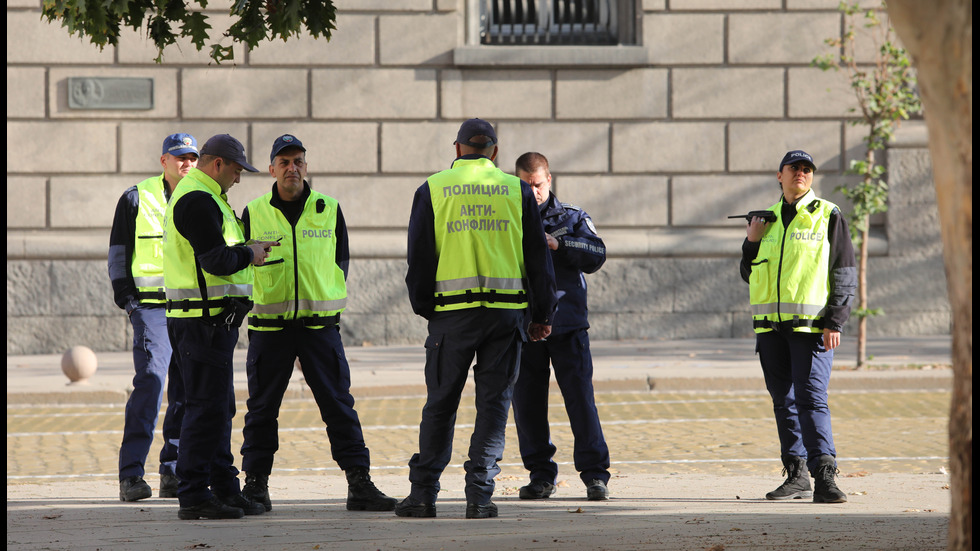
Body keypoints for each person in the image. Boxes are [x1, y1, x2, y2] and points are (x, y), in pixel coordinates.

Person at [399, 119, 558, 519]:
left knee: (440, 404)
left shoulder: (433, 188)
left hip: (452, 317)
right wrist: (541, 314)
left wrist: (426, 308)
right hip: (505, 318)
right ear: (495, 152)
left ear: (457, 150)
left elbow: (418, 258)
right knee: (493, 406)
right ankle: (480, 497)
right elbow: (537, 259)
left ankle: (423, 496)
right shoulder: (515, 189)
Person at [238, 134, 397, 513]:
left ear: (305, 167)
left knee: (339, 406)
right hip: (270, 330)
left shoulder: (329, 209)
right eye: (285, 162)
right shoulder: (253, 211)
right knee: (261, 410)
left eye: (299, 161)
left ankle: (359, 483)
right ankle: (255, 485)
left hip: (319, 328)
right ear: (272, 168)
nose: (292, 168)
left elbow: (340, 261)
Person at [163, 134, 278, 520]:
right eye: (235, 170)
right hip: (202, 322)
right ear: (217, 165)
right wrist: (251, 253)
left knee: (218, 408)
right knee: (205, 409)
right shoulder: (198, 199)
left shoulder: (207, 197)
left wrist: (248, 249)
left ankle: (225, 489)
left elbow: (216, 252)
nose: (239, 179)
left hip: (209, 321)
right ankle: (194, 494)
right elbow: (214, 259)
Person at [739, 150, 857, 503]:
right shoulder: (767, 218)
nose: (800, 174)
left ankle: (825, 477)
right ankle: (796, 475)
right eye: (794, 169)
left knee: (811, 400)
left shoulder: (827, 214)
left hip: (812, 328)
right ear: (780, 176)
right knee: (783, 402)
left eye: (807, 170)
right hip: (770, 329)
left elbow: (844, 270)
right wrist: (751, 241)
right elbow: (749, 273)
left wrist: (835, 319)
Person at [510, 152, 611, 501]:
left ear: (548, 180)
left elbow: (597, 253)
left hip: (567, 325)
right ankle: (540, 475)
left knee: (580, 401)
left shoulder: (571, 216)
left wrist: (560, 243)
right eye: (525, 185)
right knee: (528, 405)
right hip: (525, 325)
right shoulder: (508, 218)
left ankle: (596, 475)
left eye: (538, 184)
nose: (533, 191)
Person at [109, 133, 197, 502]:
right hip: (150, 307)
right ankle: (131, 475)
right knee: (150, 382)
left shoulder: (204, 200)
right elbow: (118, 253)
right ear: (164, 160)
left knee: (184, 388)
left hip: (189, 309)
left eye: (192, 157)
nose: (187, 163)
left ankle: (172, 471)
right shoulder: (136, 197)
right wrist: (128, 302)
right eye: (180, 157)